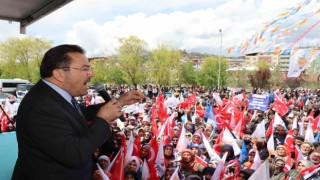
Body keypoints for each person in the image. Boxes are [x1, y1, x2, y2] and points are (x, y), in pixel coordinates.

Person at [12, 44, 144, 179]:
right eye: (85, 68)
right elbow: (74, 154)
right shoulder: (42, 106)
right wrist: (103, 119)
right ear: (59, 74)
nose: (92, 73)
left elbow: (80, 113)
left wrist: (119, 102)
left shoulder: (54, 95)